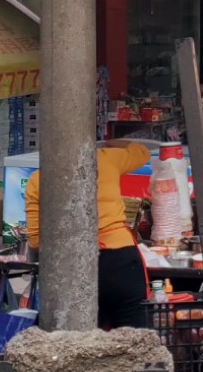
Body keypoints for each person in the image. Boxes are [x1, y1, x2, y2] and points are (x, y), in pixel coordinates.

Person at [25, 140, 152, 330]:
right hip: (121, 262)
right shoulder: (107, 159)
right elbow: (142, 152)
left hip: (72, 266)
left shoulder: (38, 180)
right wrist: (112, 143)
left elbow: (36, 242)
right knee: (132, 340)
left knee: (80, 343)